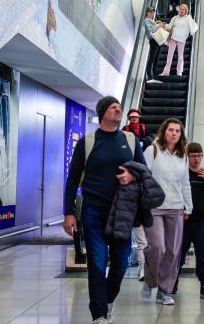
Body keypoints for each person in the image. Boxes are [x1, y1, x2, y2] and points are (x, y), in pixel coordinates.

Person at [63, 96, 146, 323]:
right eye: (113, 106)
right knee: (97, 264)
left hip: (122, 212)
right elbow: (72, 180)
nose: (118, 109)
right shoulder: (88, 142)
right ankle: (99, 314)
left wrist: (132, 174)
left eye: (119, 106)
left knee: (120, 264)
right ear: (102, 113)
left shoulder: (130, 140)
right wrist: (68, 213)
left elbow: (144, 172)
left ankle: (107, 301)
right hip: (94, 211)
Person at [141, 118, 193, 306]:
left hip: (176, 207)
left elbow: (185, 183)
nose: (174, 133)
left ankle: (164, 290)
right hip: (154, 207)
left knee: (172, 251)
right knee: (157, 246)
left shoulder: (183, 156)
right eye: (170, 130)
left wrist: (188, 206)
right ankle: (150, 281)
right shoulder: (152, 150)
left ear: (181, 135)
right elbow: (143, 176)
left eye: (177, 131)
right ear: (164, 132)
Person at [174, 142, 204, 299]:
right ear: (187, 156)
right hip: (183, 221)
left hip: (201, 221)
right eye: (193, 156)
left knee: (202, 255)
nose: (196, 159)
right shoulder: (182, 173)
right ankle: (173, 282)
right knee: (179, 254)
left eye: (199, 156)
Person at [162, 4, 198, 76]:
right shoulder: (175, 17)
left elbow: (195, 26)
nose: (181, 10)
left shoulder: (188, 18)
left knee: (180, 56)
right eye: (180, 9)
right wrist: (164, 25)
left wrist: (191, 32)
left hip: (181, 39)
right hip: (173, 38)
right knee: (169, 55)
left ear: (186, 11)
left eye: (183, 9)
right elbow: (169, 27)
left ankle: (179, 71)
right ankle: (166, 72)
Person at [143, 6, 165, 81]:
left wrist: (160, 25)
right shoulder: (146, 20)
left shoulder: (152, 21)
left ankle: (154, 73)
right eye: (150, 12)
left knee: (156, 58)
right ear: (147, 13)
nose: (152, 14)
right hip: (153, 41)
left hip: (157, 40)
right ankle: (149, 74)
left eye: (153, 12)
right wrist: (159, 26)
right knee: (152, 58)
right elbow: (150, 30)